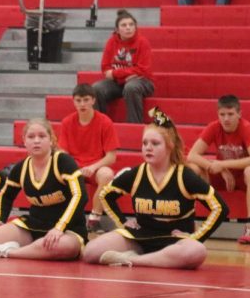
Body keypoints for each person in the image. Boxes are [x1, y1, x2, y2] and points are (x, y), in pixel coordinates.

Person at [83, 107, 228, 269]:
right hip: (140, 237)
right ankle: (153, 259)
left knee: (197, 251)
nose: (148, 148)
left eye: (155, 143)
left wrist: (196, 236)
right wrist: (122, 222)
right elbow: (105, 194)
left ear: (170, 146)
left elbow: (220, 208)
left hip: (174, 241)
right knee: (91, 251)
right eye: (145, 143)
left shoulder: (184, 175)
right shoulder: (137, 173)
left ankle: (134, 260)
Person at [0, 119, 87, 260]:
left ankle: (8, 252)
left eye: (42, 136)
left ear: (51, 140)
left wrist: (60, 227)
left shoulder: (63, 162)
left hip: (68, 229)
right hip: (32, 226)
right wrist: (0, 219)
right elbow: (6, 194)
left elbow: (80, 195)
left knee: (65, 247)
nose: (36, 141)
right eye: (31, 137)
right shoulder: (20, 168)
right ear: (24, 141)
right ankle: (30, 249)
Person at [186, 94, 250, 244]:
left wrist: (222, 165)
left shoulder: (245, 127)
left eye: (230, 114)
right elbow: (192, 155)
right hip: (222, 177)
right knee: (193, 168)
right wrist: (214, 167)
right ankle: (190, 222)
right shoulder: (214, 127)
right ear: (218, 115)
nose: (226, 119)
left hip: (242, 177)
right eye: (222, 114)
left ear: (239, 114)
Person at [60, 83, 119, 232]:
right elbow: (62, 153)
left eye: (86, 100)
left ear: (93, 100)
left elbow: (111, 157)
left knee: (107, 174)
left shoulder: (105, 122)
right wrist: (74, 168)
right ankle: (65, 217)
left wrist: (92, 167)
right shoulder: (67, 122)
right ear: (73, 102)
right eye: (78, 100)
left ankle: (94, 219)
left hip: (95, 167)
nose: (82, 104)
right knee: (56, 171)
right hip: (74, 167)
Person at [93, 9, 154, 124]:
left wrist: (116, 73)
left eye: (131, 25)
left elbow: (143, 70)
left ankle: (134, 126)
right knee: (96, 88)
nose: (128, 28)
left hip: (143, 81)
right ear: (117, 30)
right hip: (119, 82)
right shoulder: (111, 42)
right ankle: (101, 125)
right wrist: (128, 74)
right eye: (124, 25)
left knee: (131, 87)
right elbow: (105, 69)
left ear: (135, 27)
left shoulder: (142, 42)